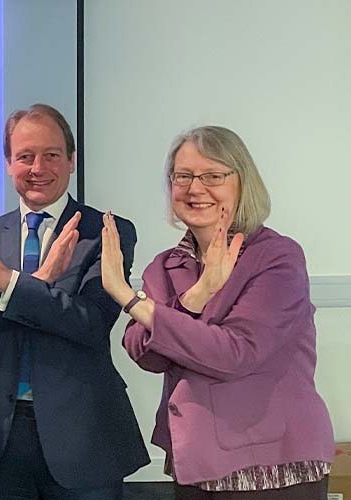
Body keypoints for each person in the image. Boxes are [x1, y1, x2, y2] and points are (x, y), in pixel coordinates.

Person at [100, 126, 334, 499]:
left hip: (272, 468)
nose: (195, 188)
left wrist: (130, 299)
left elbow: (235, 353)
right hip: (196, 461)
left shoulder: (278, 257)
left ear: (244, 182)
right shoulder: (165, 265)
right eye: (183, 176)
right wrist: (198, 293)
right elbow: (148, 354)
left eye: (213, 176)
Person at [0, 104, 148, 499]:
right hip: (0, 438)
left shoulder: (106, 232)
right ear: (9, 164)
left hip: (84, 439)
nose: (37, 167)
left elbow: (91, 324)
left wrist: (10, 284)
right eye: (25, 156)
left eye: (51, 155)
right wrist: (39, 282)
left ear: (71, 161)